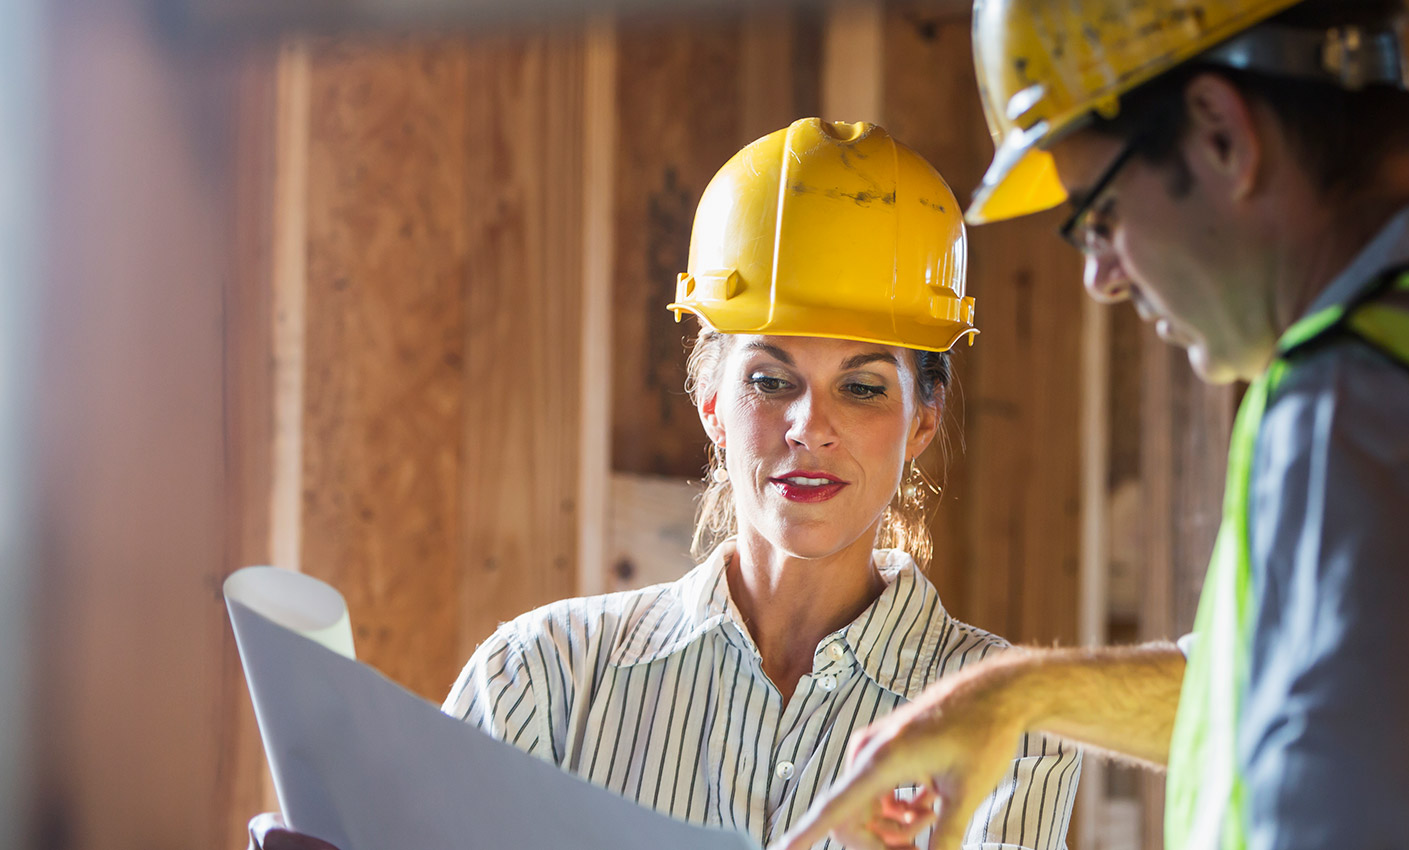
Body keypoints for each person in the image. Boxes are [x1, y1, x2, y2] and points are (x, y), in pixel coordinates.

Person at [778, 2, 1409, 849]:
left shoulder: (1362, 402)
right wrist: (1015, 695)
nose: (1101, 277)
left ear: (1220, 135)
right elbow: (1330, 686)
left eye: (1098, 217)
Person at [248, 118, 1078, 850]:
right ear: (712, 401)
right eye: (770, 380)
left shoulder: (1007, 724)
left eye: (862, 387)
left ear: (921, 422)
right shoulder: (541, 680)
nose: (808, 427)